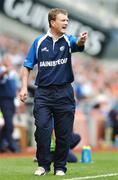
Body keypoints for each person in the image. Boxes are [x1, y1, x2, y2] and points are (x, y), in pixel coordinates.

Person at [19, 8, 88, 176]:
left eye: (67, 20)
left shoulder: (68, 40)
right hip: (43, 94)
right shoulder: (39, 42)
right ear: (52, 22)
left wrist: (81, 41)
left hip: (64, 93)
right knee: (42, 129)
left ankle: (60, 167)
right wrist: (23, 87)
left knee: (64, 134)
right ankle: (43, 165)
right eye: (63, 20)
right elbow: (27, 66)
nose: (66, 22)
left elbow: (78, 44)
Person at [0, 54, 20, 152]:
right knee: (9, 123)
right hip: (4, 99)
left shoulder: (12, 73)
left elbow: (15, 87)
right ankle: (12, 145)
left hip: (11, 100)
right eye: (9, 60)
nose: (10, 62)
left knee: (9, 124)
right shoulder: (2, 70)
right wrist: (5, 71)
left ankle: (2, 144)